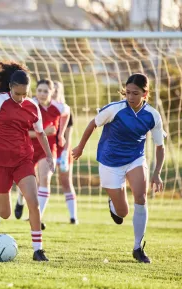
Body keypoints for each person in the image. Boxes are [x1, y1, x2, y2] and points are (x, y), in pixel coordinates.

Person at [72, 73, 165, 263]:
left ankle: (138, 247)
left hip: (135, 159)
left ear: (145, 94)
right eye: (128, 92)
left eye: (135, 93)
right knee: (122, 212)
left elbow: (160, 146)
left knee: (141, 196)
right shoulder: (115, 109)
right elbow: (92, 124)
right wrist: (80, 147)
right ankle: (114, 204)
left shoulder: (153, 116)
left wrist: (157, 174)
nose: (130, 97)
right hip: (109, 162)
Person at [0, 61, 54, 261]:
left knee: (33, 202)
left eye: (24, 94)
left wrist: (49, 155)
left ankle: (38, 250)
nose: (21, 98)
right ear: (10, 88)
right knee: (5, 213)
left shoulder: (32, 106)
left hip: (23, 160)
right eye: (17, 93)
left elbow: (41, 133)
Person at [14, 79, 70, 231]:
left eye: (46, 91)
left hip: (47, 148)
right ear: (35, 91)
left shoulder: (59, 107)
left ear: (52, 93)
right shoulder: (28, 105)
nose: (42, 94)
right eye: (39, 90)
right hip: (28, 148)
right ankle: (20, 200)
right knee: (25, 182)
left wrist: (61, 134)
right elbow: (22, 132)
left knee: (45, 179)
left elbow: (67, 112)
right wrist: (43, 132)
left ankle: (38, 216)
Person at [53, 81, 78, 224]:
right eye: (53, 89)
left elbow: (68, 137)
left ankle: (73, 216)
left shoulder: (66, 110)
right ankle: (36, 213)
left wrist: (64, 153)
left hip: (62, 151)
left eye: (57, 90)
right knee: (39, 181)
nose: (54, 92)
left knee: (66, 182)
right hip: (47, 150)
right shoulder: (43, 109)